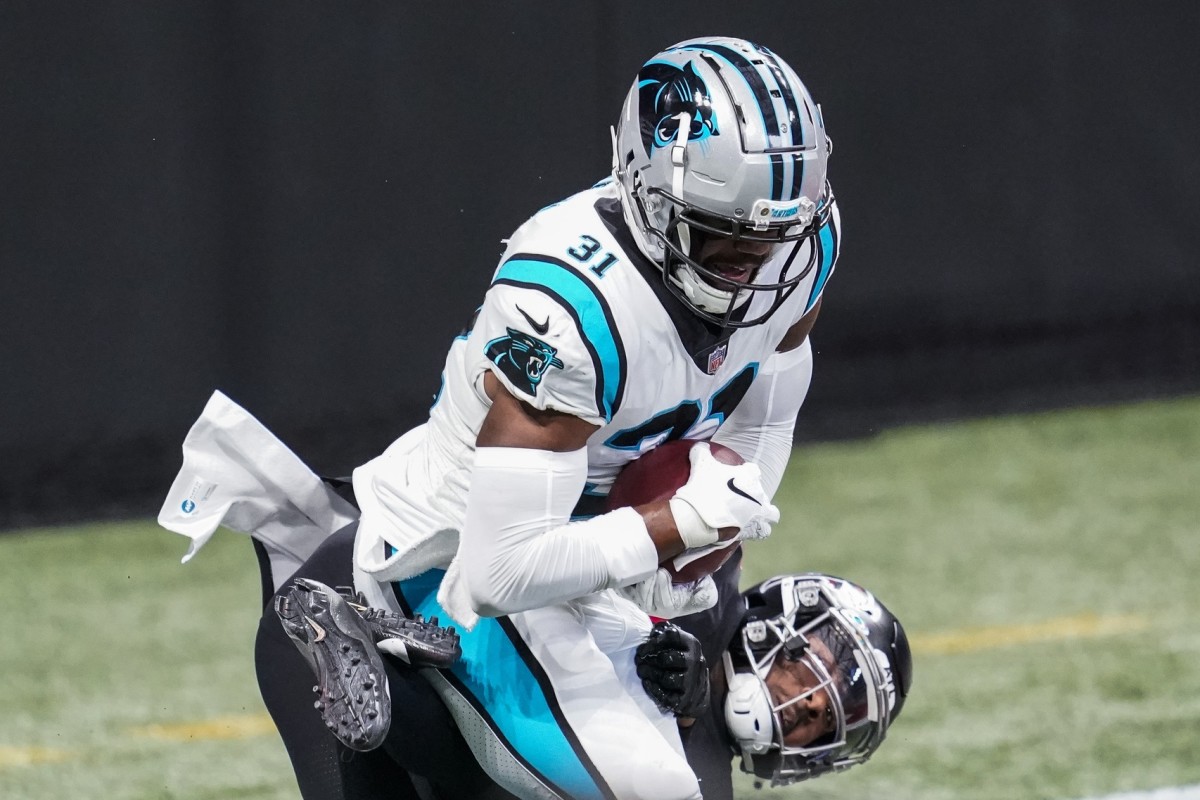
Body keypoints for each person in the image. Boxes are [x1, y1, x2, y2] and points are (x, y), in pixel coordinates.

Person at [171, 34, 844, 800]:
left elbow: (752, 443)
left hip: (581, 564)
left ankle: (411, 677)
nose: (750, 264)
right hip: (451, 555)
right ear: (648, 190)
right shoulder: (569, 307)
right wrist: (675, 530)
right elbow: (503, 570)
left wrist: (684, 572)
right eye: (723, 234)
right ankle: (398, 658)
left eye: (768, 238)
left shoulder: (800, 250)